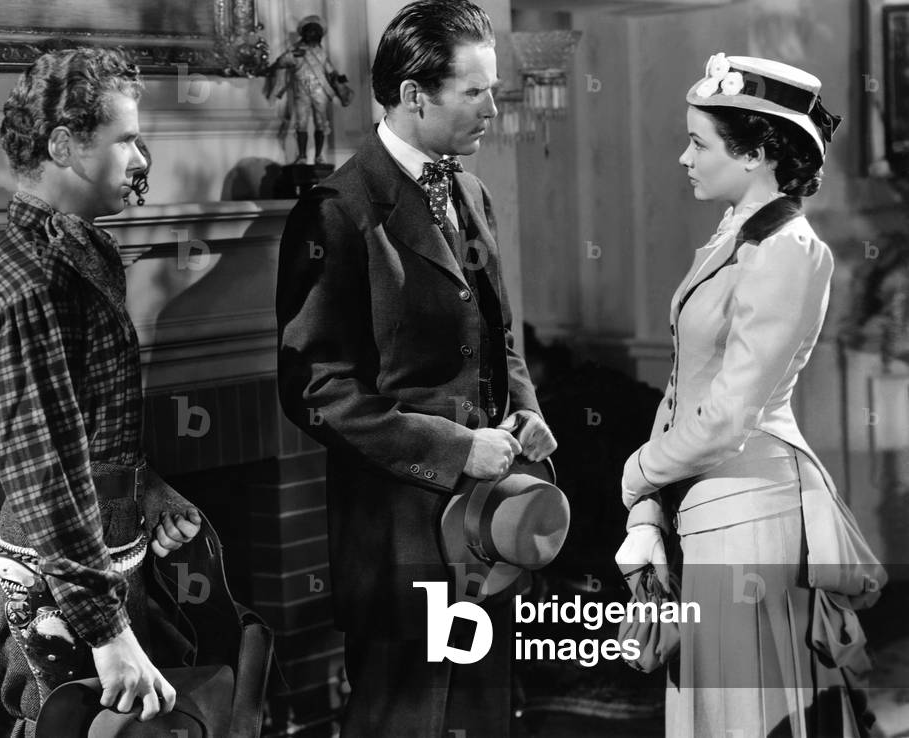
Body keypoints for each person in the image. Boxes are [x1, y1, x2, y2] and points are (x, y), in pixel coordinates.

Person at [276, 1, 556, 735]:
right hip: (397, 536)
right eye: (475, 92)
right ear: (412, 95)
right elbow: (316, 391)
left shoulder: (470, 192)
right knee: (410, 721)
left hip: (488, 523)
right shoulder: (336, 210)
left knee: (485, 715)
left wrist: (524, 410)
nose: (494, 108)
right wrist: (457, 447)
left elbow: (497, 334)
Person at [615, 54, 877, 737]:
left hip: (748, 517)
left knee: (745, 712)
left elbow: (729, 413)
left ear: (757, 152)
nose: (683, 157)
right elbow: (684, 386)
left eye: (698, 142)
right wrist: (646, 508)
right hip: (705, 508)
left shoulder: (787, 249)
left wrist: (636, 472)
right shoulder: (734, 236)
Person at [0, 47, 203, 737]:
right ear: (65, 144)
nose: (142, 157)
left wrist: (141, 483)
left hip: (99, 560)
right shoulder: (34, 282)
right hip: (52, 586)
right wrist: (109, 632)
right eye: (126, 138)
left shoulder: (82, 248)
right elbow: (39, 472)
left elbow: (79, 426)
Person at [268, 15, 346, 164]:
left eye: (316, 32)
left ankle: (318, 156)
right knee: (301, 123)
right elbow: (281, 62)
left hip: (319, 92)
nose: (313, 34)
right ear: (304, 33)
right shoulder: (296, 51)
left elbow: (329, 69)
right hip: (301, 91)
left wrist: (340, 80)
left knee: (321, 123)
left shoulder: (321, 52)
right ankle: (302, 156)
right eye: (310, 31)